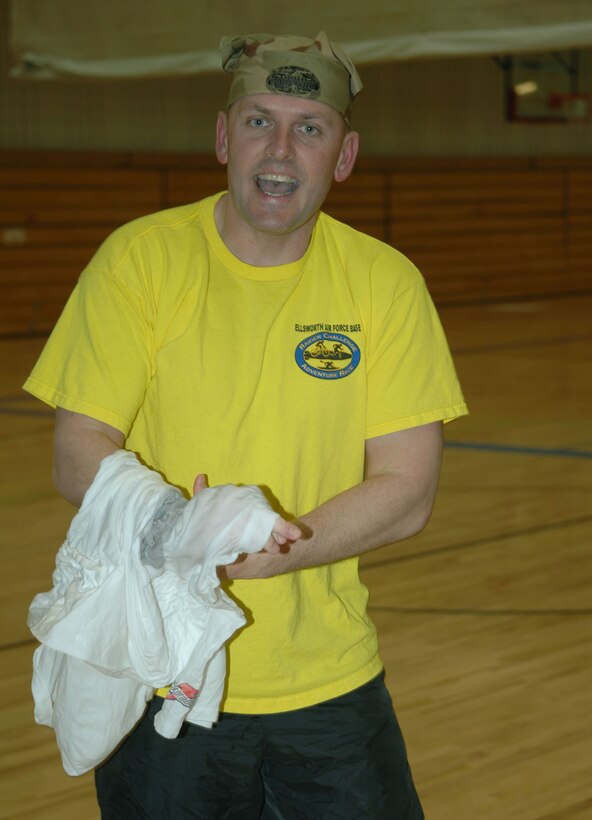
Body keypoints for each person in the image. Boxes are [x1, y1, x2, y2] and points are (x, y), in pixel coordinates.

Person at [24, 31, 468, 819]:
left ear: (345, 154)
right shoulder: (140, 261)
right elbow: (74, 454)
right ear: (224, 136)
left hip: (329, 688)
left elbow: (408, 489)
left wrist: (283, 547)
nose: (282, 148)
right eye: (260, 120)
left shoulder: (384, 284)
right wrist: (176, 523)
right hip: (162, 673)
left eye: (310, 127)